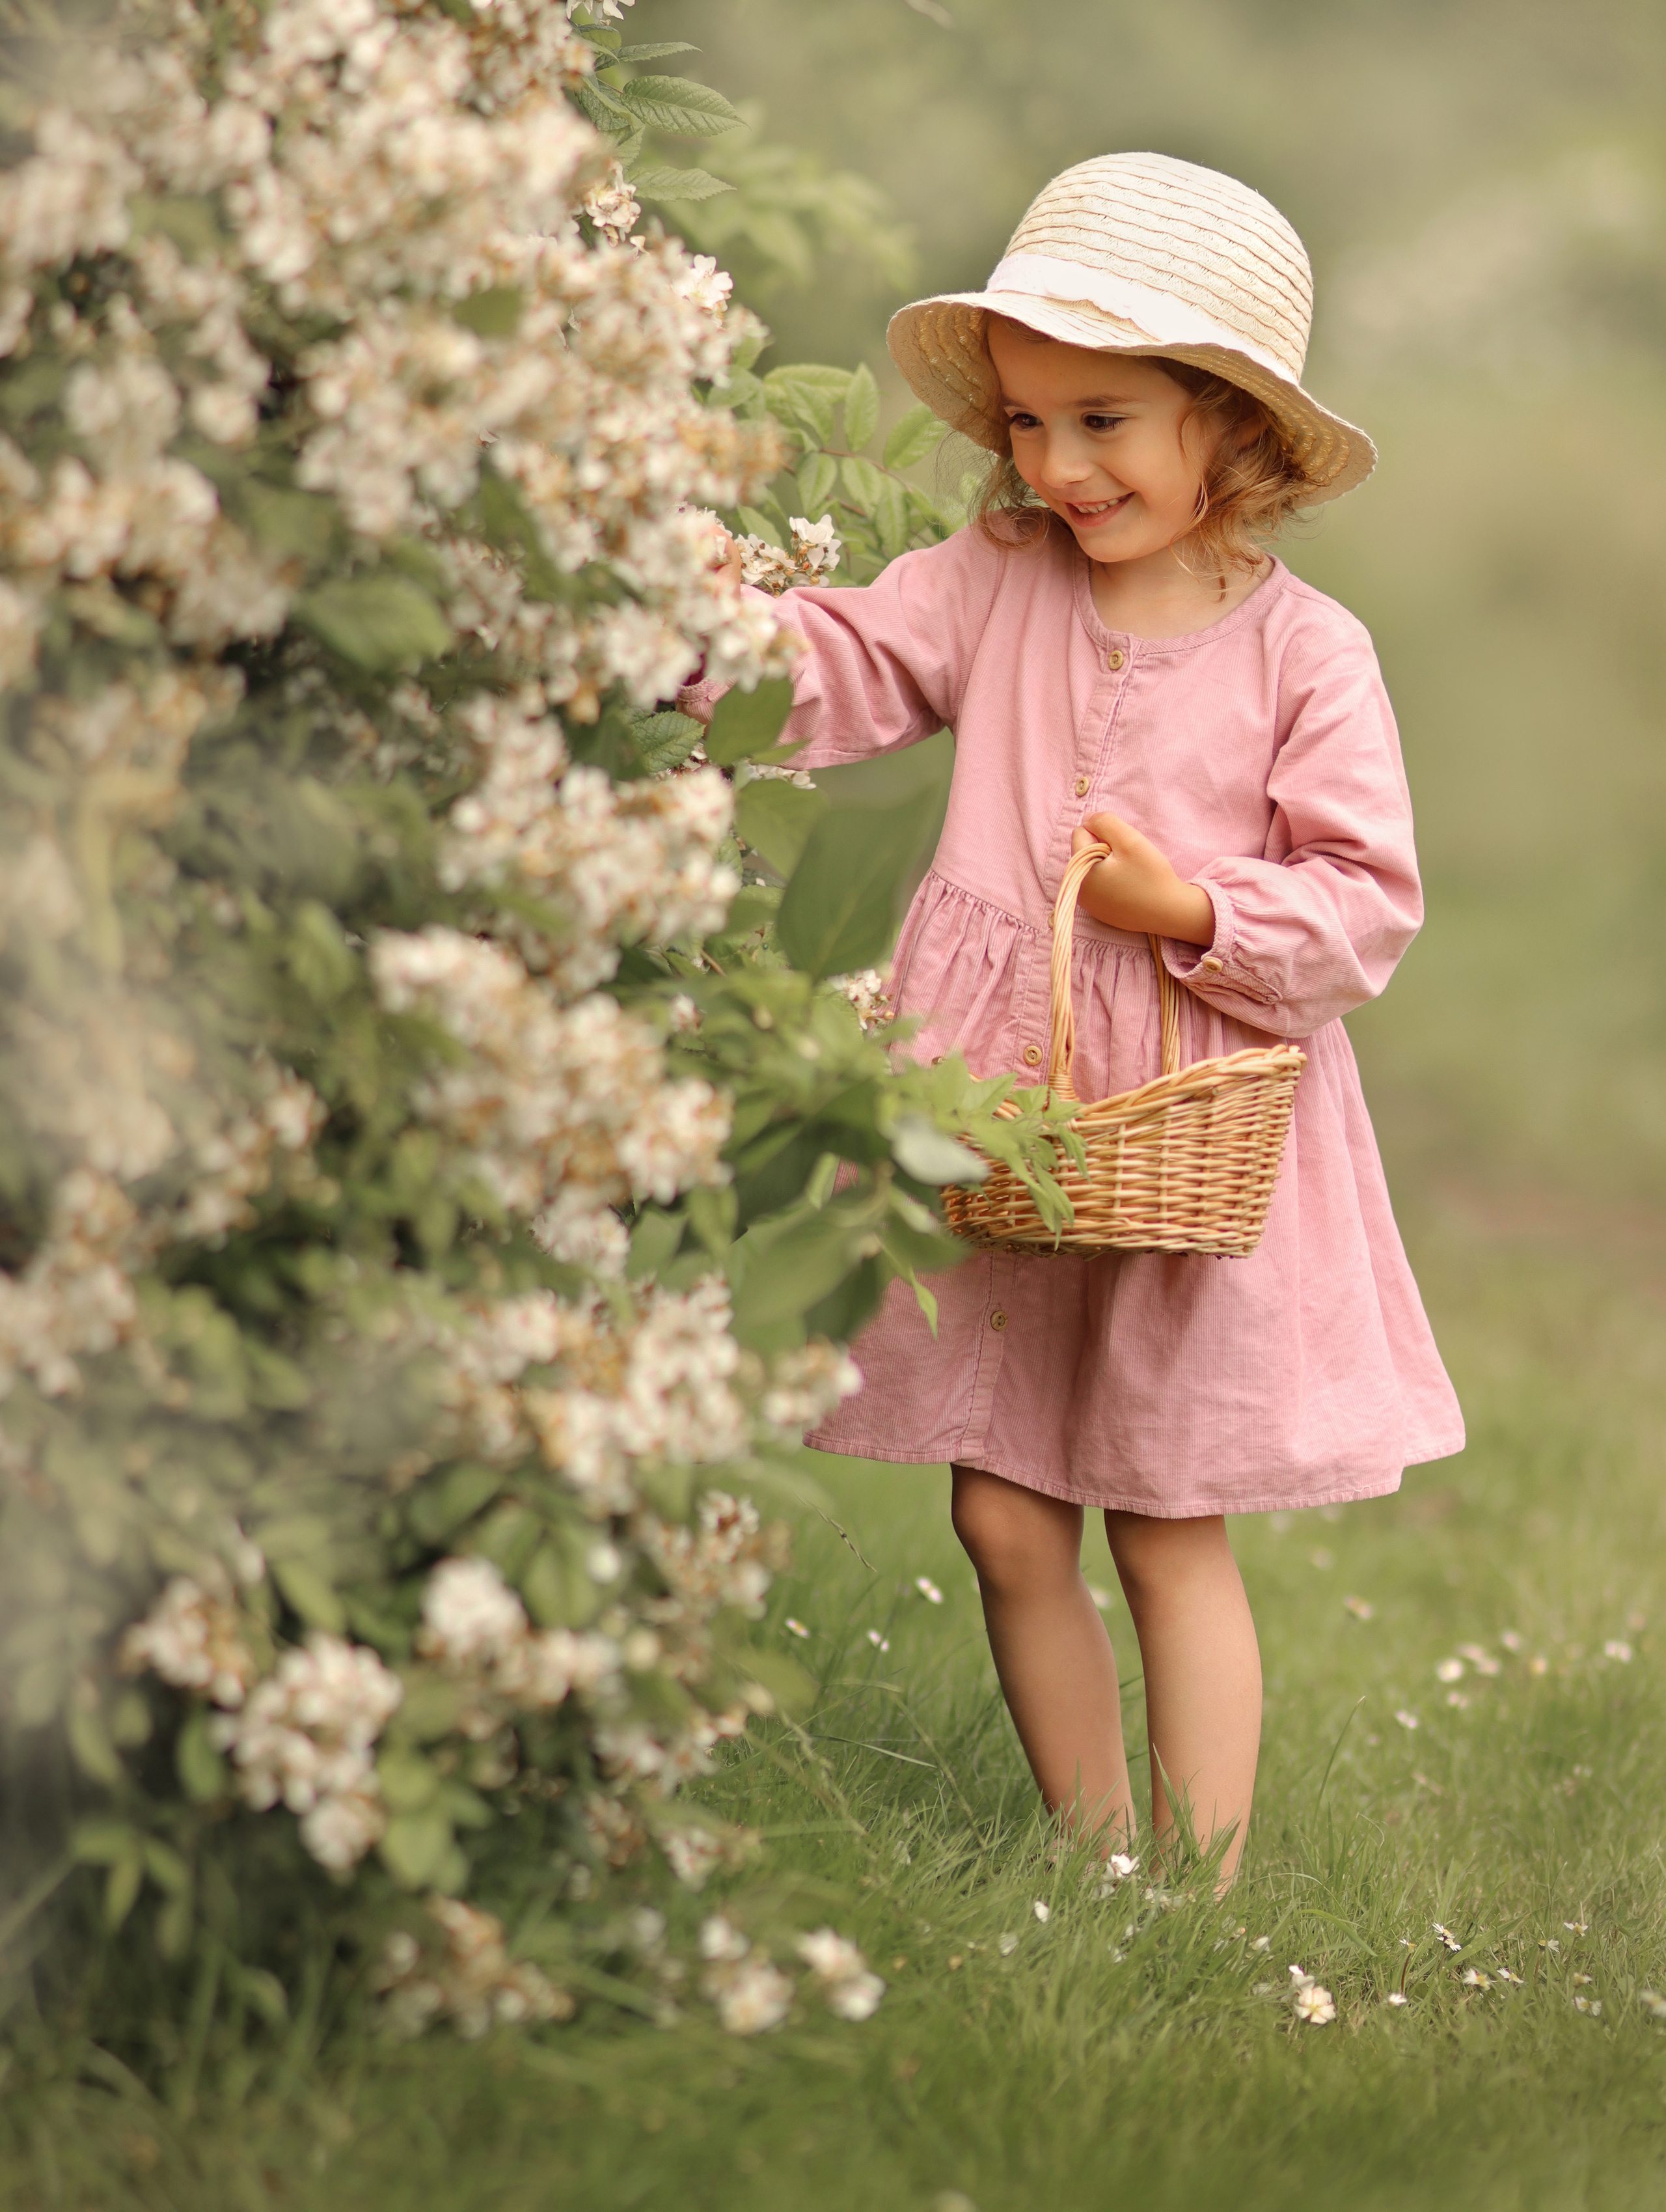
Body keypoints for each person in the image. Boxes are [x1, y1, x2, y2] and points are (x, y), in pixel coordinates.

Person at [689, 152, 1464, 1885]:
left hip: (1185, 1123)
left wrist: (1187, 910)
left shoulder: (1305, 657)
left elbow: (1363, 904)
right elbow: (843, 666)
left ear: (1229, 425)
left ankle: (1202, 1885)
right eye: (1029, 425)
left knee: (1165, 1510)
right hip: (992, 1104)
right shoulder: (993, 579)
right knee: (1000, 1506)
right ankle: (1092, 1855)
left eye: (1103, 421)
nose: (1056, 467)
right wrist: (691, 628)